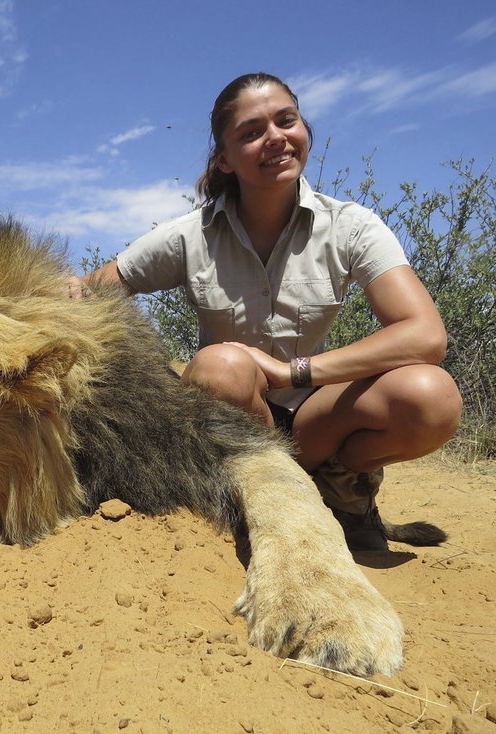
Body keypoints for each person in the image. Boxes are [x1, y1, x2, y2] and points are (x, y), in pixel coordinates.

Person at [73, 72, 462, 550]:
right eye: (251, 132)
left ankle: (344, 490)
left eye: (286, 121)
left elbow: (425, 336)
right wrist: (52, 289)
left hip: (315, 417)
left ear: (304, 130)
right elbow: (92, 292)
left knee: (431, 396)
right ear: (224, 159)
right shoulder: (188, 234)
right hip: (230, 416)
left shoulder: (352, 226)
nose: (275, 138)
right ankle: (261, 495)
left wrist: (290, 371)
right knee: (222, 368)